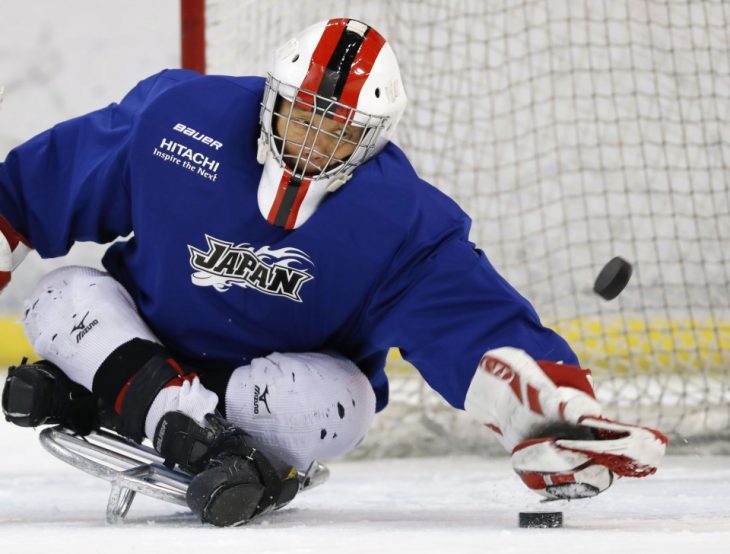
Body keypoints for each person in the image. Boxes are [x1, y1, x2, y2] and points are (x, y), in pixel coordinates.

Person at [0, 18, 666, 526]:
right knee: (59, 296)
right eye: (302, 112)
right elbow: (40, 186)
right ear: (272, 94)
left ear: (375, 137)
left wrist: (549, 410)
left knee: (342, 406)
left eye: (339, 128)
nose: (314, 140)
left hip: (263, 391)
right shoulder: (178, 119)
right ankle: (184, 430)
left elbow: (472, 321)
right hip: (144, 330)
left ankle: (128, 403)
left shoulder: (398, 218)